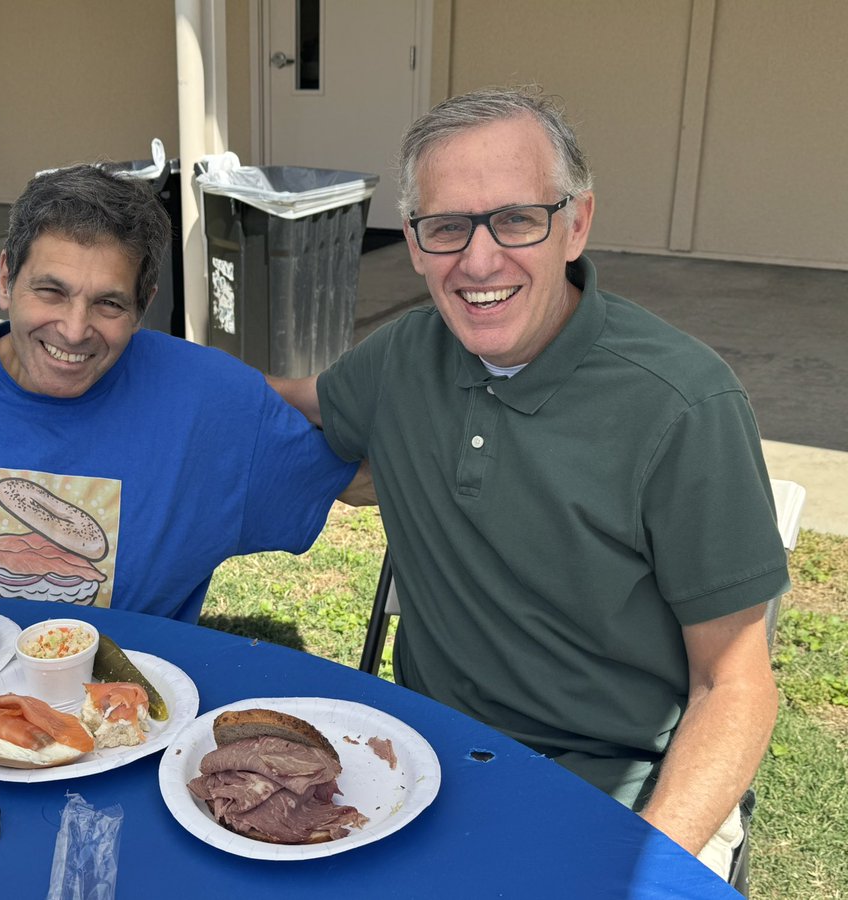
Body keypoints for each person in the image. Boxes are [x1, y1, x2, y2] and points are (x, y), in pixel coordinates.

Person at [269, 86, 787, 880]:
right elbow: (296, 405)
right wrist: (142, 364)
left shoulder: (683, 404)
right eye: (446, 227)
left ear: (576, 223)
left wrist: (641, 863)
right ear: (412, 243)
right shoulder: (403, 356)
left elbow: (736, 684)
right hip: (426, 757)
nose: (479, 261)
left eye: (516, 219)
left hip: (623, 790)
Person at [0, 164, 358, 624]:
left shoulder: (209, 402)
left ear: (142, 305)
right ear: (7, 280)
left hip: (128, 718)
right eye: (51, 291)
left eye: (109, 304)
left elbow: (373, 477)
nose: (74, 330)